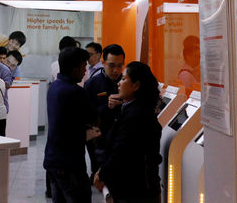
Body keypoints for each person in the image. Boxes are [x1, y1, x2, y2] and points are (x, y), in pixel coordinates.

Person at [93, 62, 163, 203]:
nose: (119, 82)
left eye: (124, 79)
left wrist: (102, 174)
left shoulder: (137, 116)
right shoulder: (131, 110)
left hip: (135, 192)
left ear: (136, 86)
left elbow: (121, 151)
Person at [44, 46, 96, 203]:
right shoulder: (76, 92)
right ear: (74, 68)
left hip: (53, 159)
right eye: (83, 66)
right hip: (70, 163)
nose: (85, 71)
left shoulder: (54, 87)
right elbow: (91, 121)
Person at [84, 43, 126, 181]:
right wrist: (106, 106)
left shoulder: (127, 83)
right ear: (103, 63)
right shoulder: (92, 84)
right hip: (99, 141)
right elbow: (87, 116)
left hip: (121, 140)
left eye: (120, 66)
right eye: (112, 65)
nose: (116, 70)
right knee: (101, 179)